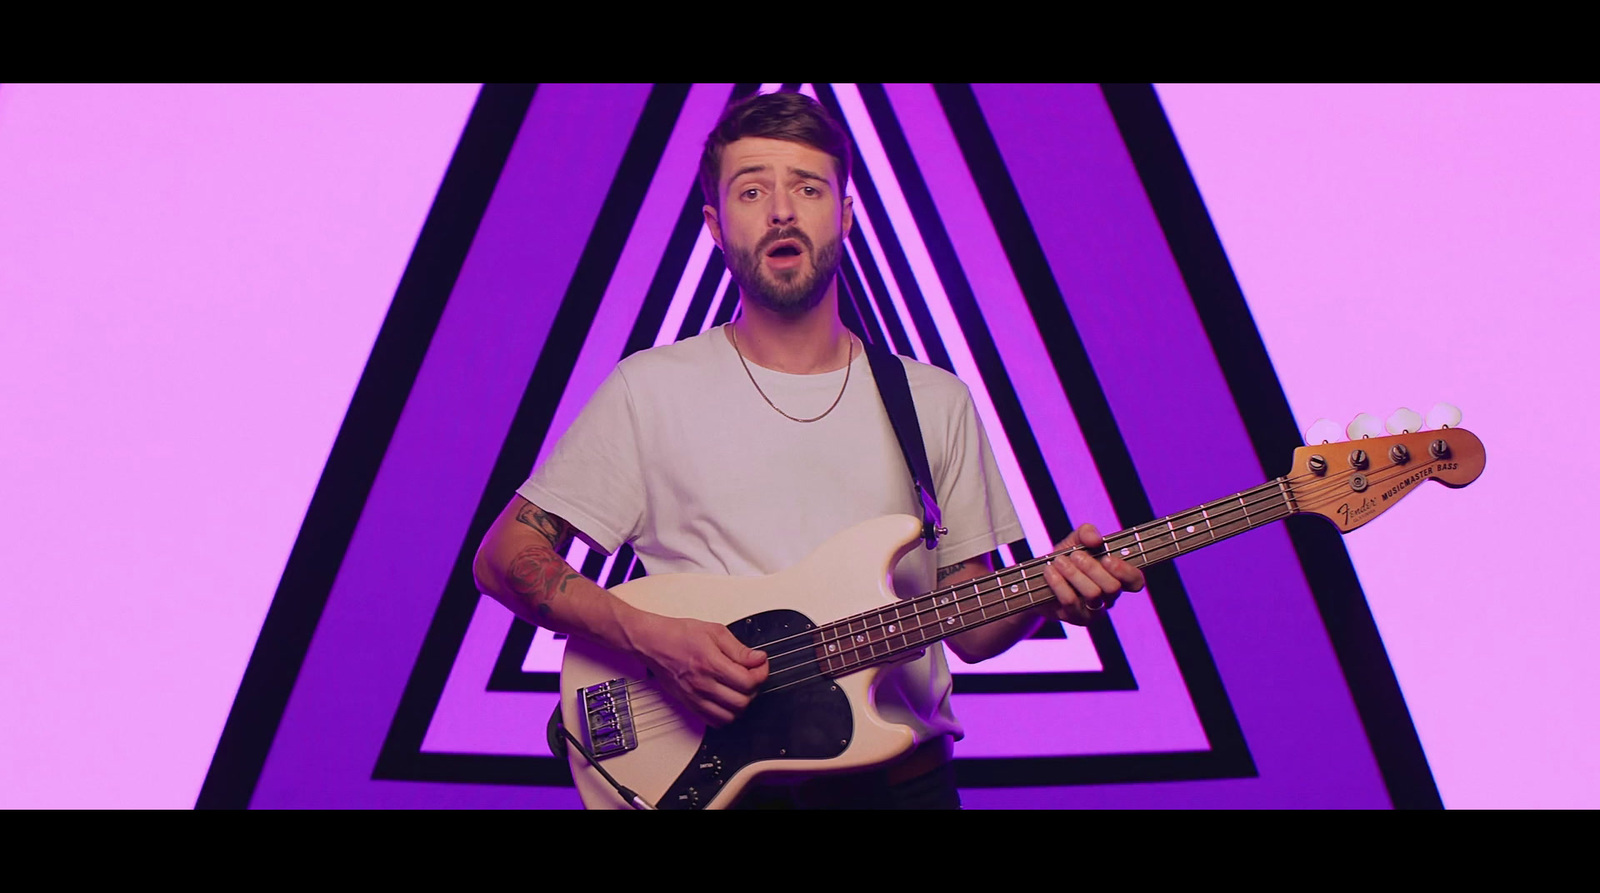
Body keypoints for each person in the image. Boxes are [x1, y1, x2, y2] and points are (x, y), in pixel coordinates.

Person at [472, 90, 1145, 809]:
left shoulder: (933, 400)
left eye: (808, 187)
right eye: (752, 189)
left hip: (900, 788)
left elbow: (971, 629)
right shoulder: (649, 389)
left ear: (846, 215)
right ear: (715, 224)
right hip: (720, 786)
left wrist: (1049, 593)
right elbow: (505, 555)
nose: (782, 209)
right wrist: (652, 638)